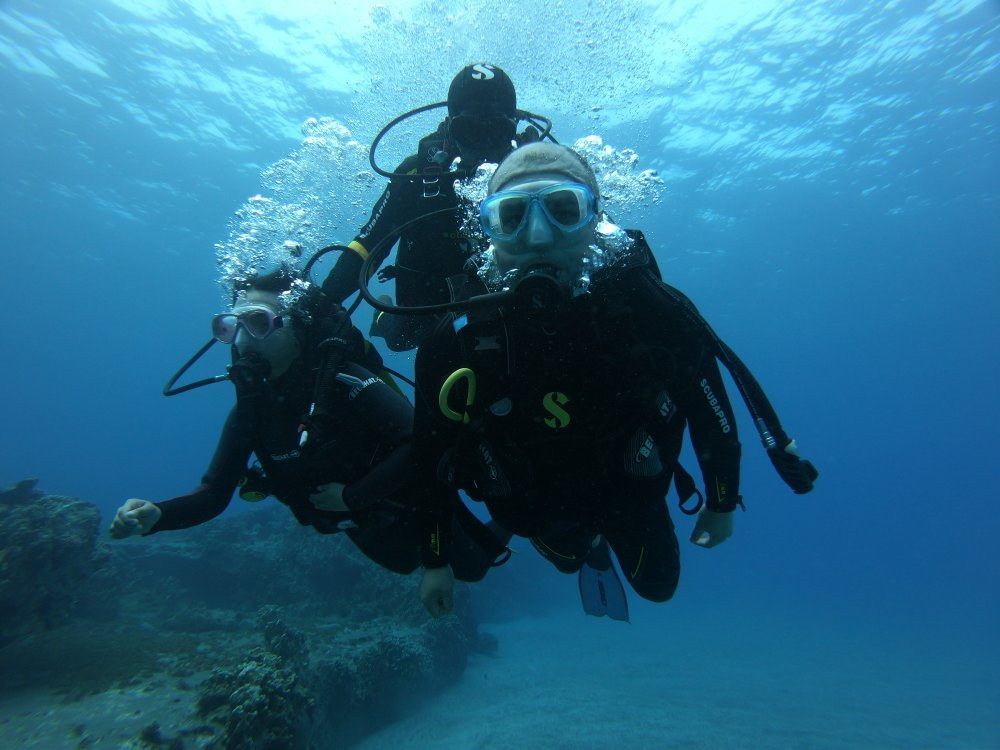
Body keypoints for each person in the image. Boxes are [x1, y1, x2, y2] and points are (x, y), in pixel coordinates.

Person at [410, 143, 818, 619]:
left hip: (632, 498)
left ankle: (596, 542)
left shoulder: (653, 311)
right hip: (534, 505)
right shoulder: (456, 338)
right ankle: (587, 549)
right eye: (512, 216)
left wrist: (722, 502)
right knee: (567, 559)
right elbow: (429, 452)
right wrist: (434, 560)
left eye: (564, 210)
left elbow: (711, 409)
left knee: (659, 587)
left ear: (595, 220)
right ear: (489, 231)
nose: (538, 238)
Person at [110, 270, 508, 605]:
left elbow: (420, 443)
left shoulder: (342, 378)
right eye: (232, 327)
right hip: (357, 525)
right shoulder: (251, 410)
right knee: (403, 563)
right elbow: (214, 494)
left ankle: (512, 515)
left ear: (297, 327)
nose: (245, 340)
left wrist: (353, 497)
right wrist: (158, 515)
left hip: (410, 500)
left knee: (475, 568)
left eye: (260, 323)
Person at [321, 63, 546, 352]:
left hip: (511, 297)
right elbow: (370, 242)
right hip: (428, 296)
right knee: (402, 339)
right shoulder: (415, 175)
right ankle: (382, 318)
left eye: (495, 133)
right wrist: (323, 301)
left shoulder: (536, 176)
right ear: (450, 128)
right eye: (470, 131)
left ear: (512, 131)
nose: (482, 150)